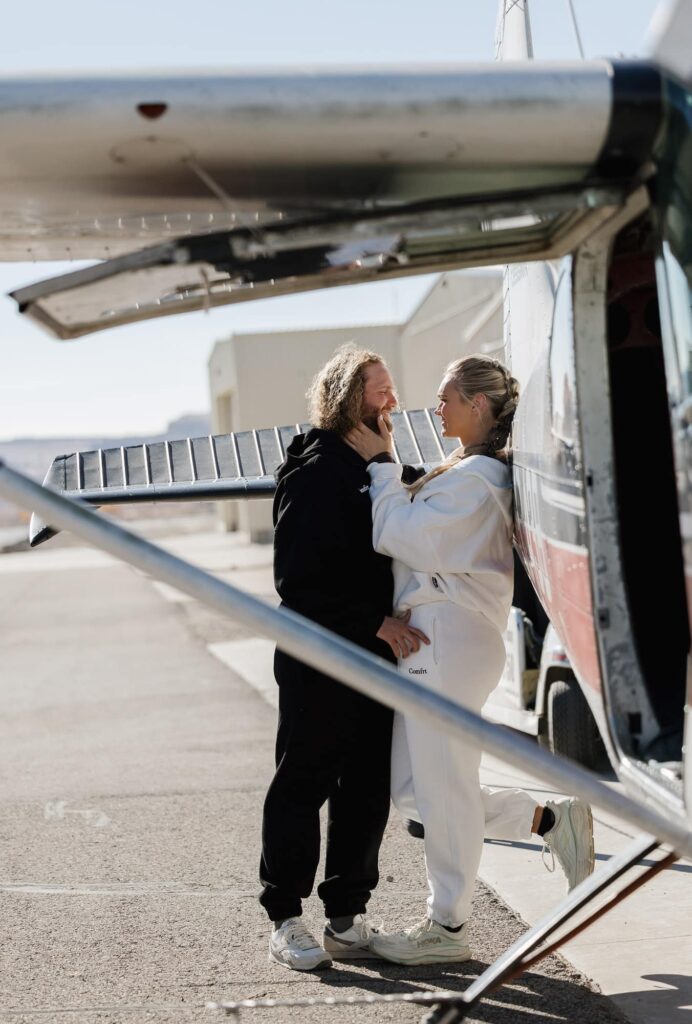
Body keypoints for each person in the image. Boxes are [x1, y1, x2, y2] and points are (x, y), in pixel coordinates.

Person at [345, 354, 594, 966]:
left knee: (439, 786)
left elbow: (396, 535)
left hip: (447, 639)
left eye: (446, 397)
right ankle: (548, 820)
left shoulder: (478, 479)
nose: (437, 408)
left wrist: (380, 466)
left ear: (478, 405)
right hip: (439, 639)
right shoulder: (466, 472)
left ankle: (448, 926)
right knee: (415, 792)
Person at [259, 346, 429, 971]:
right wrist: (374, 621)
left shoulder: (379, 464)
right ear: (345, 399)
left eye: (391, 389)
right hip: (319, 656)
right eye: (379, 390)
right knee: (304, 782)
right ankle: (285, 919)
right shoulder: (315, 472)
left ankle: (346, 917)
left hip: (375, 657)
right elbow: (296, 582)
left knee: (366, 787)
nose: (392, 400)